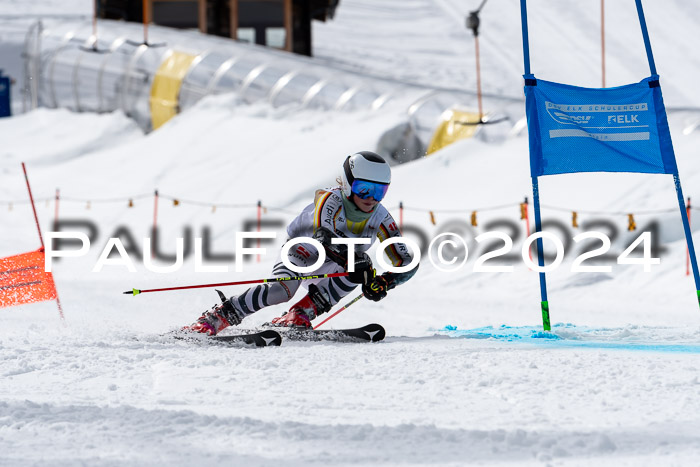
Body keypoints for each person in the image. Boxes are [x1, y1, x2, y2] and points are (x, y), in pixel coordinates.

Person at [185, 151, 418, 335]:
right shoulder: (330, 200)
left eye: (380, 191)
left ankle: (299, 314)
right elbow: (323, 237)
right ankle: (218, 317)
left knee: (358, 271)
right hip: (302, 253)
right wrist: (356, 262)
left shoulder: (381, 217)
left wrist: (385, 281)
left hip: (333, 265)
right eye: (364, 188)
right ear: (348, 184)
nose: (371, 198)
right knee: (280, 292)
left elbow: (406, 260)